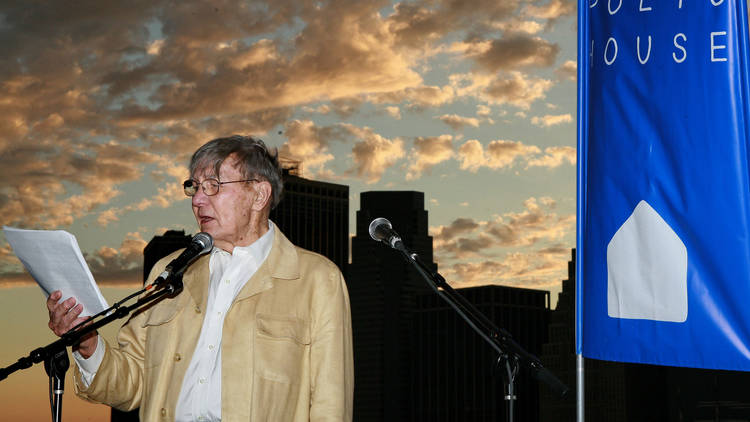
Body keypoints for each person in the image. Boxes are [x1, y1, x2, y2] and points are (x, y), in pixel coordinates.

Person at [47, 135, 354, 421]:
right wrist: (88, 344)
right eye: (195, 186)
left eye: (214, 186)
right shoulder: (168, 272)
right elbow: (132, 385)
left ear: (259, 195)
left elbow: (330, 404)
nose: (197, 200)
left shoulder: (317, 280)